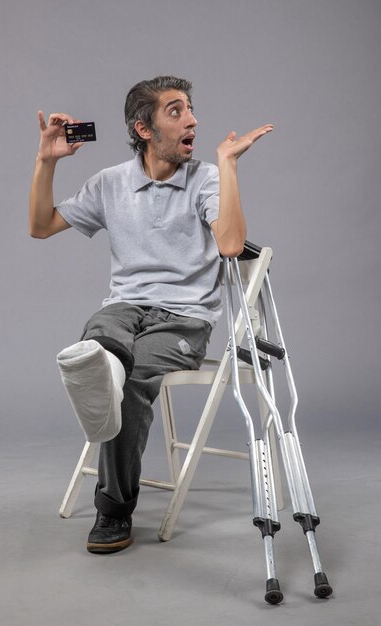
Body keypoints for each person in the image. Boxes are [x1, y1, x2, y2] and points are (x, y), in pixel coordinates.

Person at [29, 75, 273, 554]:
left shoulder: (206, 178)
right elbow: (40, 226)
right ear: (144, 128)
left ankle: (113, 509)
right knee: (102, 337)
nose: (193, 120)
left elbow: (227, 244)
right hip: (124, 310)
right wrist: (45, 162)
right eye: (176, 111)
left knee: (129, 377)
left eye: (190, 109)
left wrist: (227, 165)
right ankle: (101, 368)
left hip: (183, 321)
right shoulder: (110, 184)